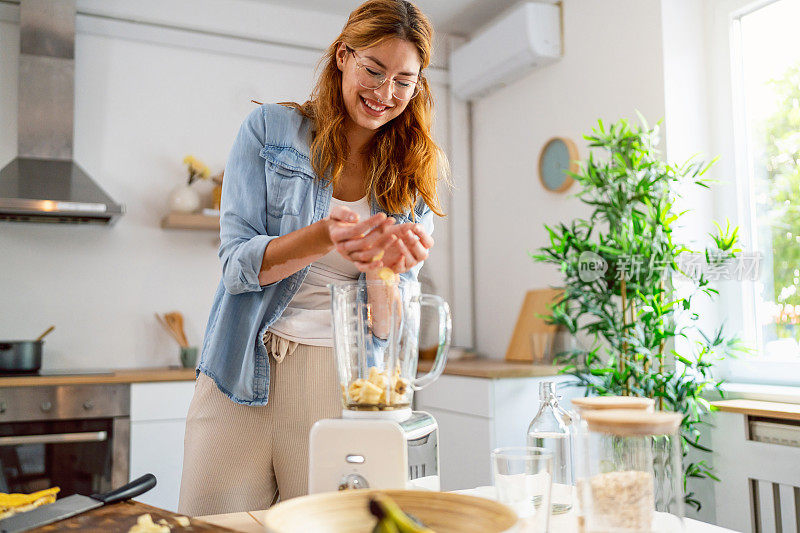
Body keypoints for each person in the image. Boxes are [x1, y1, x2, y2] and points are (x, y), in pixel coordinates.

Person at [177, 0, 448, 516]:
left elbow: (385, 325)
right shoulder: (270, 131)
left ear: (418, 86)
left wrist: (382, 268)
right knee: (209, 526)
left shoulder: (412, 176)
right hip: (240, 367)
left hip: (337, 385)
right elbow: (238, 267)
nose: (384, 93)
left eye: (403, 81)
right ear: (343, 56)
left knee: (325, 527)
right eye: (373, 69)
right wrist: (326, 235)